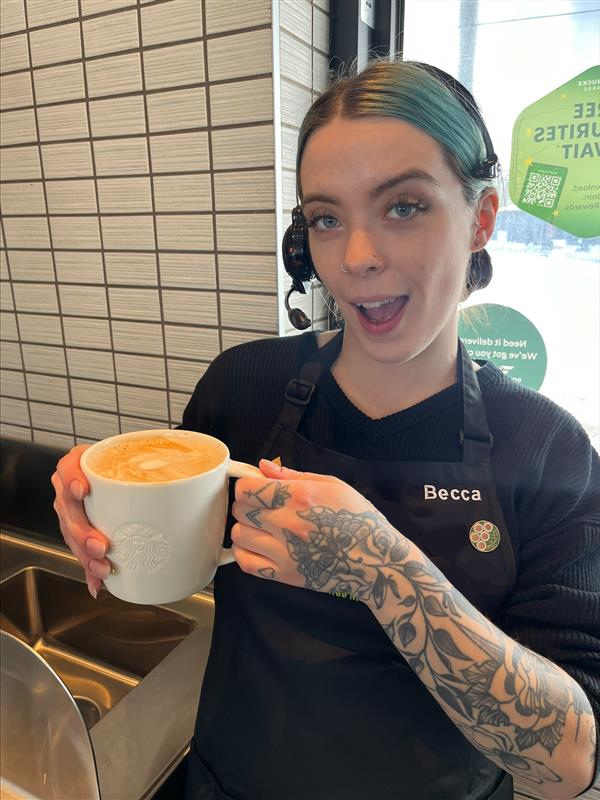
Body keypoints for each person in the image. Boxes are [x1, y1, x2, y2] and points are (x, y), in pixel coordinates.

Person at [52, 60, 599, 800]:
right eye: (326, 218)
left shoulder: (548, 451)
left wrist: (383, 572)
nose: (356, 259)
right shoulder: (243, 388)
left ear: (481, 218)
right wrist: (100, 516)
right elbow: (170, 563)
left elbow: (567, 766)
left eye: (403, 206)